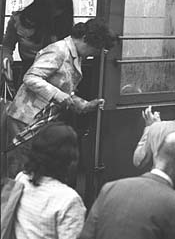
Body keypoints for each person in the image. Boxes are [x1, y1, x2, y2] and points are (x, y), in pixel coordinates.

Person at [3, 18, 116, 178]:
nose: (94, 54)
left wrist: (83, 105)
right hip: (26, 118)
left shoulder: (75, 55)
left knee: (33, 170)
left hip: (41, 119)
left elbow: (63, 88)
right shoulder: (59, 51)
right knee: (21, 168)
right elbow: (31, 77)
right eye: (96, 49)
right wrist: (59, 95)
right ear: (85, 39)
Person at [1, 0, 74, 86]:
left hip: (58, 75)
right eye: (55, 8)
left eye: (61, 9)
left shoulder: (64, 22)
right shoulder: (20, 20)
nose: (57, 12)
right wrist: (6, 63)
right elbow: (7, 46)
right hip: (28, 72)